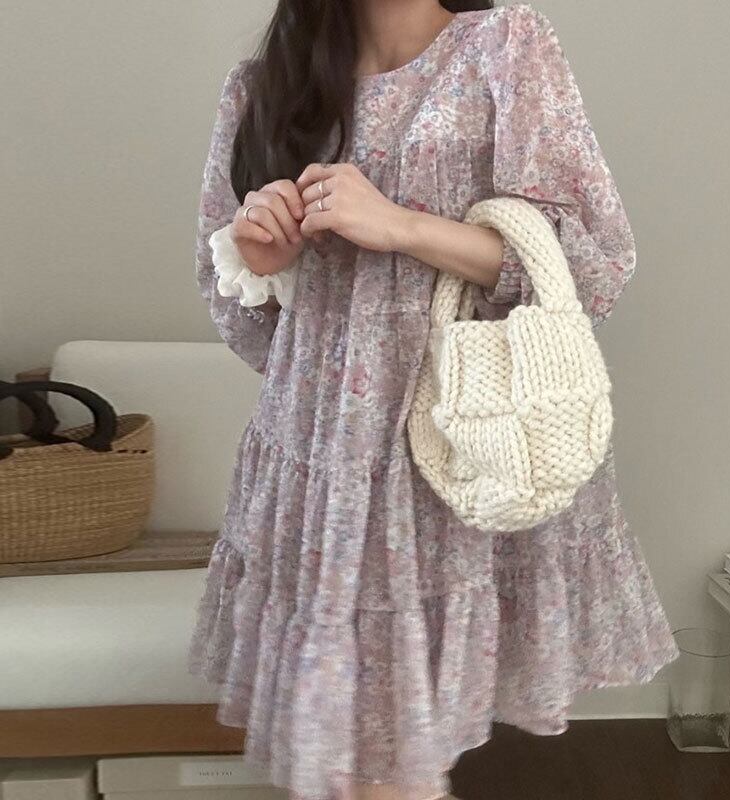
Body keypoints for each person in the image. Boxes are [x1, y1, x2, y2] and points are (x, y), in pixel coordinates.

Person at [187, 2, 680, 799]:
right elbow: (256, 333)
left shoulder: (504, 46)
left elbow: (591, 267)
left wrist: (401, 226)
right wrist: (263, 261)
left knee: (384, 769)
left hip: (460, 444)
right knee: (363, 768)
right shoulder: (262, 87)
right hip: (329, 477)